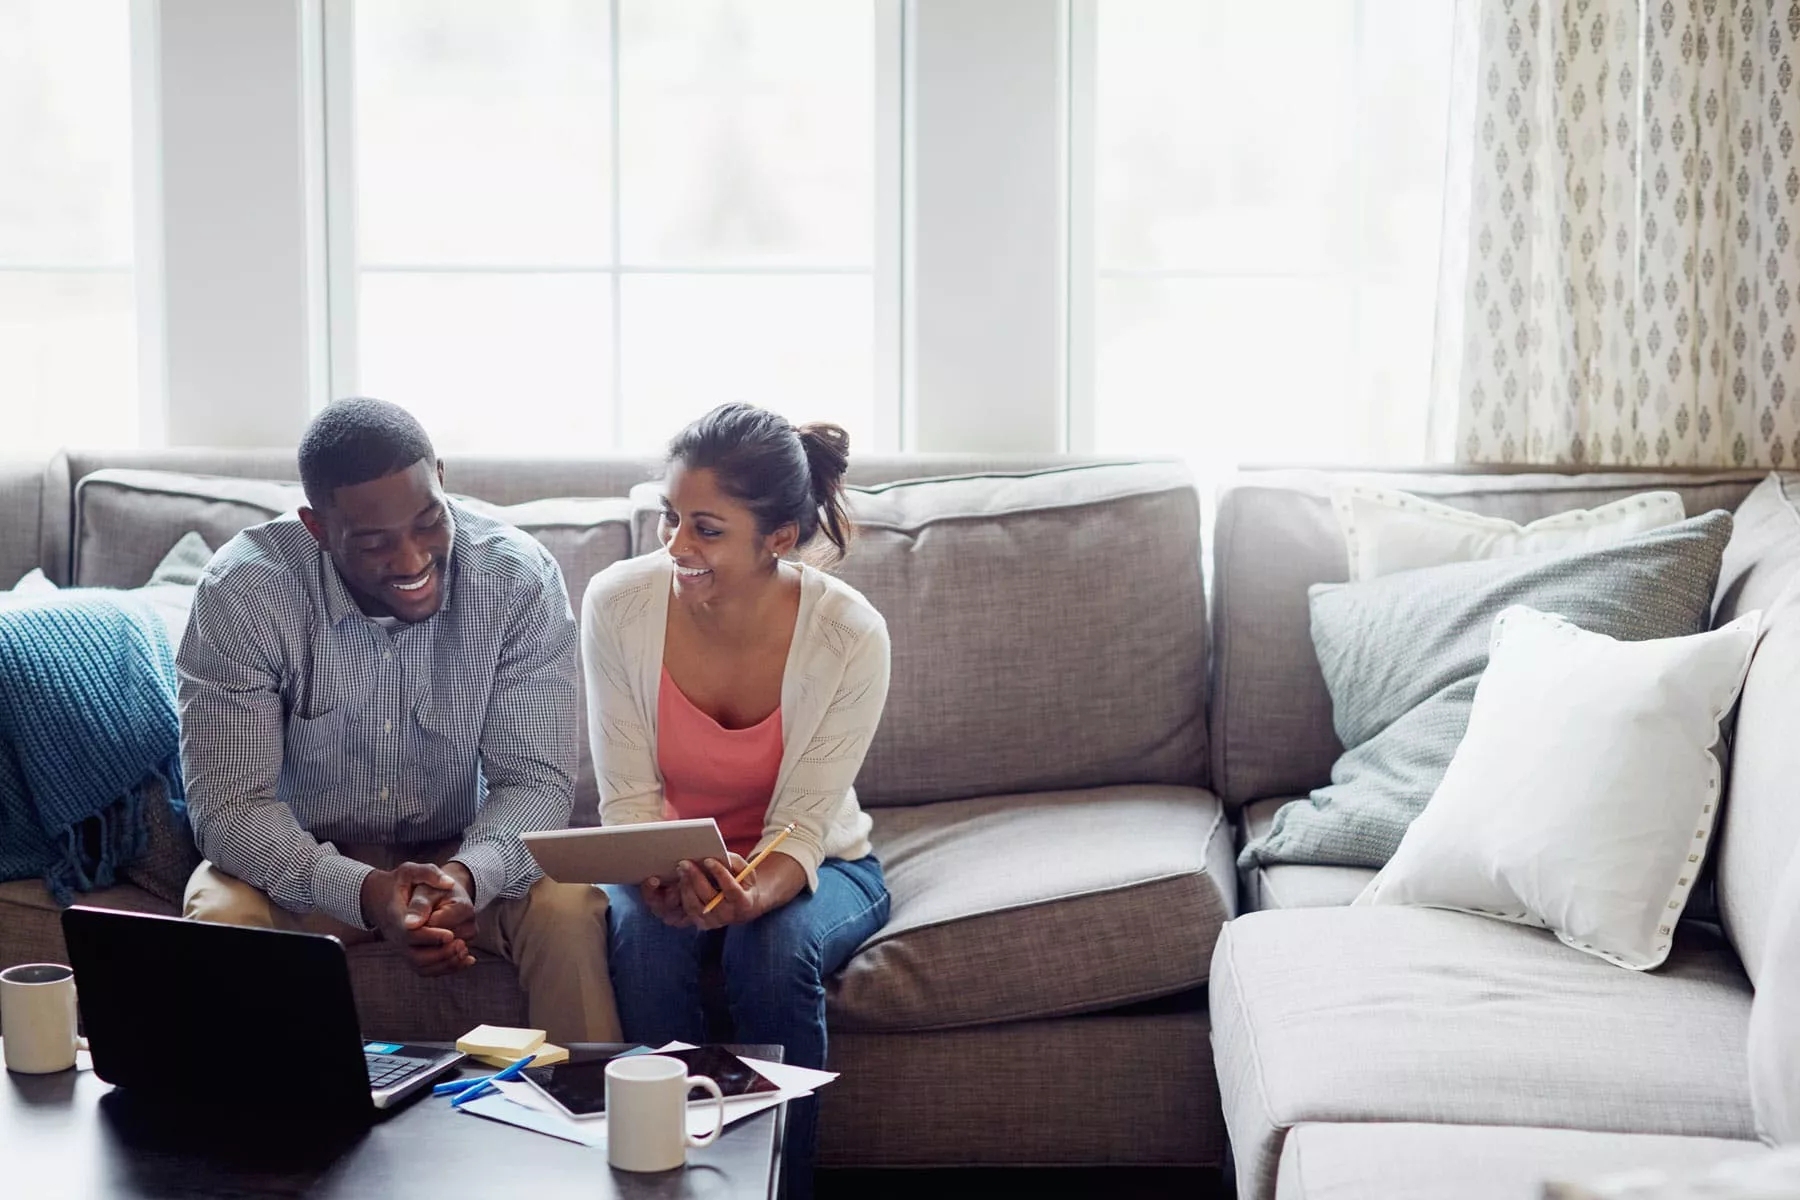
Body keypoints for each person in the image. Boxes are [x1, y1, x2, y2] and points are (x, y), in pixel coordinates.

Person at [177, 397, 620, 1045]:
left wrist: (469, 876)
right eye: (375, 542)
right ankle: (268, 1137)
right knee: (220, 914)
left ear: (441, 477)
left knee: (568, 904)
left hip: (459, 856)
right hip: (307, 867)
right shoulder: (244, 595)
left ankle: (585, 1127)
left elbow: (535, 784)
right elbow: (230, 808)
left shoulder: (516, 578)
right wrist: (365, 892)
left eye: (427, 522)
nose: (412, 560)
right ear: (318, 527)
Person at [583, 402, 891, 1198]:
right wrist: (655, 872)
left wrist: (747, 893)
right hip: (666, 854)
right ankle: (664, 1179)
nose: (676, 546)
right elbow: (629, 799)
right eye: (670, 519)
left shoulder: (849, 634)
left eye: (707, 529)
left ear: (779, 539)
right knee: (644, 939)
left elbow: (803, 824)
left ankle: (775, 1185)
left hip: (814, 862)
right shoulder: (617, 605)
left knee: (773, 950)